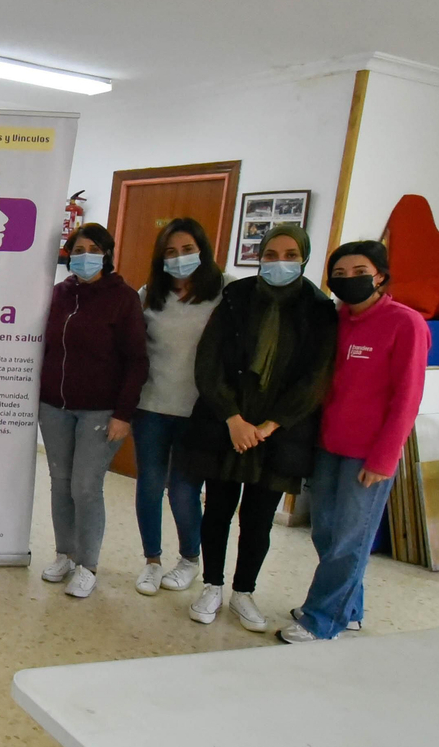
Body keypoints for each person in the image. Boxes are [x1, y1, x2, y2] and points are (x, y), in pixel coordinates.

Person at [181, 224, 336, 631]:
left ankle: (243, 591)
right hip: (227, 424)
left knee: (258, 519)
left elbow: (316, 377)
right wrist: (233, 418)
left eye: (289, 255)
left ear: (303, 257)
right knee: (216, 510)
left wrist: (270, 425)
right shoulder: (236, 297)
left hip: (279, 432)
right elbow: (208, 361)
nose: (278, 262)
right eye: (270, 254)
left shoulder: (319, 308)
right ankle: (212, 585)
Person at [282, 242, 429, 643]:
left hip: (368, 453)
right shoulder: (336, 319)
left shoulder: (406, 323)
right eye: (340, 274)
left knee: (350, 538)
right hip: (328, 445)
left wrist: (384, 458)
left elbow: (407, 398)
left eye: (359, 271)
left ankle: (321, 619)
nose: (350, 281)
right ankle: (348, 609)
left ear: (380, 275)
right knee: (326, 534)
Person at [38, 224, 149, 599]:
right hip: (54, 406)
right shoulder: (59, 293)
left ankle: (88, 564)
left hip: (100, 412)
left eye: (92, 248)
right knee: (60, 482)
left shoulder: (123, 298)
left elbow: (137, 362)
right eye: (77, 249)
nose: (83, 255)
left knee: (85, 486)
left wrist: (124, 413)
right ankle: (64, 554)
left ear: (106, 254)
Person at [132, 219, 225, 597]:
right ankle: (151, 561)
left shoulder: (224, 291)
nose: (179, 258)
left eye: (187, 250)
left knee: (184, 491)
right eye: (170, 252)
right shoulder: (148, 294)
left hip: (199, 411)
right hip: (151, 406)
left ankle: (189, 558)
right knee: (150, 485)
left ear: (201, 250)